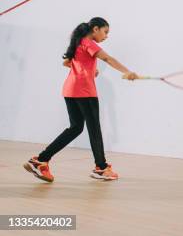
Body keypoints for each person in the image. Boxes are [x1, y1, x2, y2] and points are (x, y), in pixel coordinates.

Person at [23, 17, 138, 182]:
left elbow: (66, 62)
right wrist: (127, 72)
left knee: (76, 128)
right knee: (94, 129)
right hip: (85, 92)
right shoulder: (89, 43)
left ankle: (40, 160)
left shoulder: (77, 42)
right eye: (105, 32)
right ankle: (101, 168)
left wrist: (88, 70)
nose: (106, 36)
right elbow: (108, 59)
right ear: (96, 29)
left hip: (70, 90)